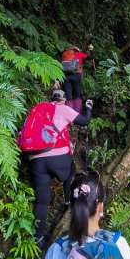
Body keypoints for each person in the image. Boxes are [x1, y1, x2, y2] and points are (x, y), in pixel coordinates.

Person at [29, 90, 93, 248]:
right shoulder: (63, 109)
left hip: (35, 159)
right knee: (71, 170)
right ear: (63, 100)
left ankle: (38, 238)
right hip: (58, 158)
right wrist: (88, 107)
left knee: (42, 202)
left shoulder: (38, 108)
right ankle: (68, 199)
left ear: (51, 99)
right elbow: (85, 121)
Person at [61, 45, 96, 112]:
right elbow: (92, 57)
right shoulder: (79, 54)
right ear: (77, 50)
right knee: (77, 95)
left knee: (68, 96)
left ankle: (68, 114)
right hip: (76, 76)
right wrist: (91, 50)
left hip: (66, 76)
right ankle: (77, 113)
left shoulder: (64, 54)